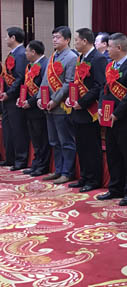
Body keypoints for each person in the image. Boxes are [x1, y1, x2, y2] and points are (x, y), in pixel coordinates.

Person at [97, 33, 127, 206]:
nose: (107, 49)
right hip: (109, 119)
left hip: (126, 120)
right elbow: (104, 89)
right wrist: (101, 107)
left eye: (109, 46)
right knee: (113, 155)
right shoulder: (110, 66)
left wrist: (116, 114)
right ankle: (115, 188)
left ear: (119, 47)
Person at [67, 28, 106, 192]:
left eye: (76, 40)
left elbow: (99, 86)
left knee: (92, 148)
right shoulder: (81, 58)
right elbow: (77, 83)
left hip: (90, 110)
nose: (75, 43)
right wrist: (71, 98)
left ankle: (93, 179)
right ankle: (84, 177)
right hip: (78, 110)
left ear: (84, 41)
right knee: (81, 146)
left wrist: (82, 102)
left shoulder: (98, 58)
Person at [38, 26, 77, 184]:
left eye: (58, 37)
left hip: (61, 107)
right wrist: (40, 97)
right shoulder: (53, 56)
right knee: (54, 141)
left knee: (66, 141)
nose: (54, 40)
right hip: (48, 106)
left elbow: (69, 83)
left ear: (67, 40)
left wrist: (54, 100)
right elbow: (45, 80)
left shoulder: (71, 57)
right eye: (53, 37)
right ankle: (58, 170)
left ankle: (67, 172)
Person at [0, 26, 30, 170]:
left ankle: (20, 160)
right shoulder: (12, 54)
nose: (5, 39)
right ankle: (10, 158)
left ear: (13, 38)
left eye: (7, 36)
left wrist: (9, 93)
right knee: (8, 129)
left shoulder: (21, 54)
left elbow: (20, 78)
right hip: (7, 98)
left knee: (18, 130)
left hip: (15, 98)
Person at [20, 40, 50, 176]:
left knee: (42, 139)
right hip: (29, 108)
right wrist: (21, 99)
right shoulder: (30, 66)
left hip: (38, 108)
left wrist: (30, 102)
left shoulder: (45, 64)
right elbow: (26, 85)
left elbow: (43, 88)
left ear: (33, 52)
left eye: (27, 51)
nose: (25, 53)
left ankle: (43, 166)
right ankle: (36, 164)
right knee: (35, 140)